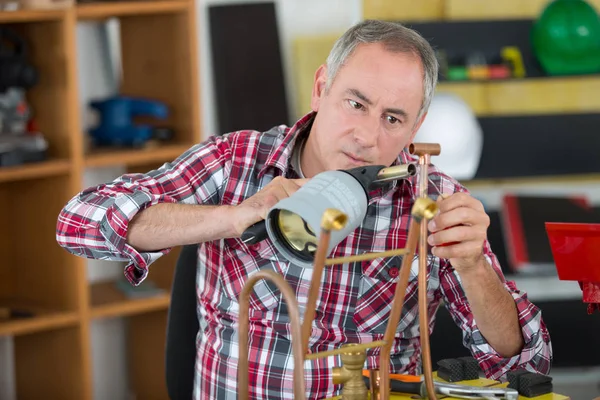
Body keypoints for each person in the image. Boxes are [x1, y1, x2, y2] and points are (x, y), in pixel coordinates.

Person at [56, 19, 552, 400]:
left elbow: (524, 362)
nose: (366, 136)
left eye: (393, 118)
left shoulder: (433, 198)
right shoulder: (235, 163)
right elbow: (77, 222)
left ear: (417, 124)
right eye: (355, 104)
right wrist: (229, 218)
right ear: (321, 87)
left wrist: (472, 268)